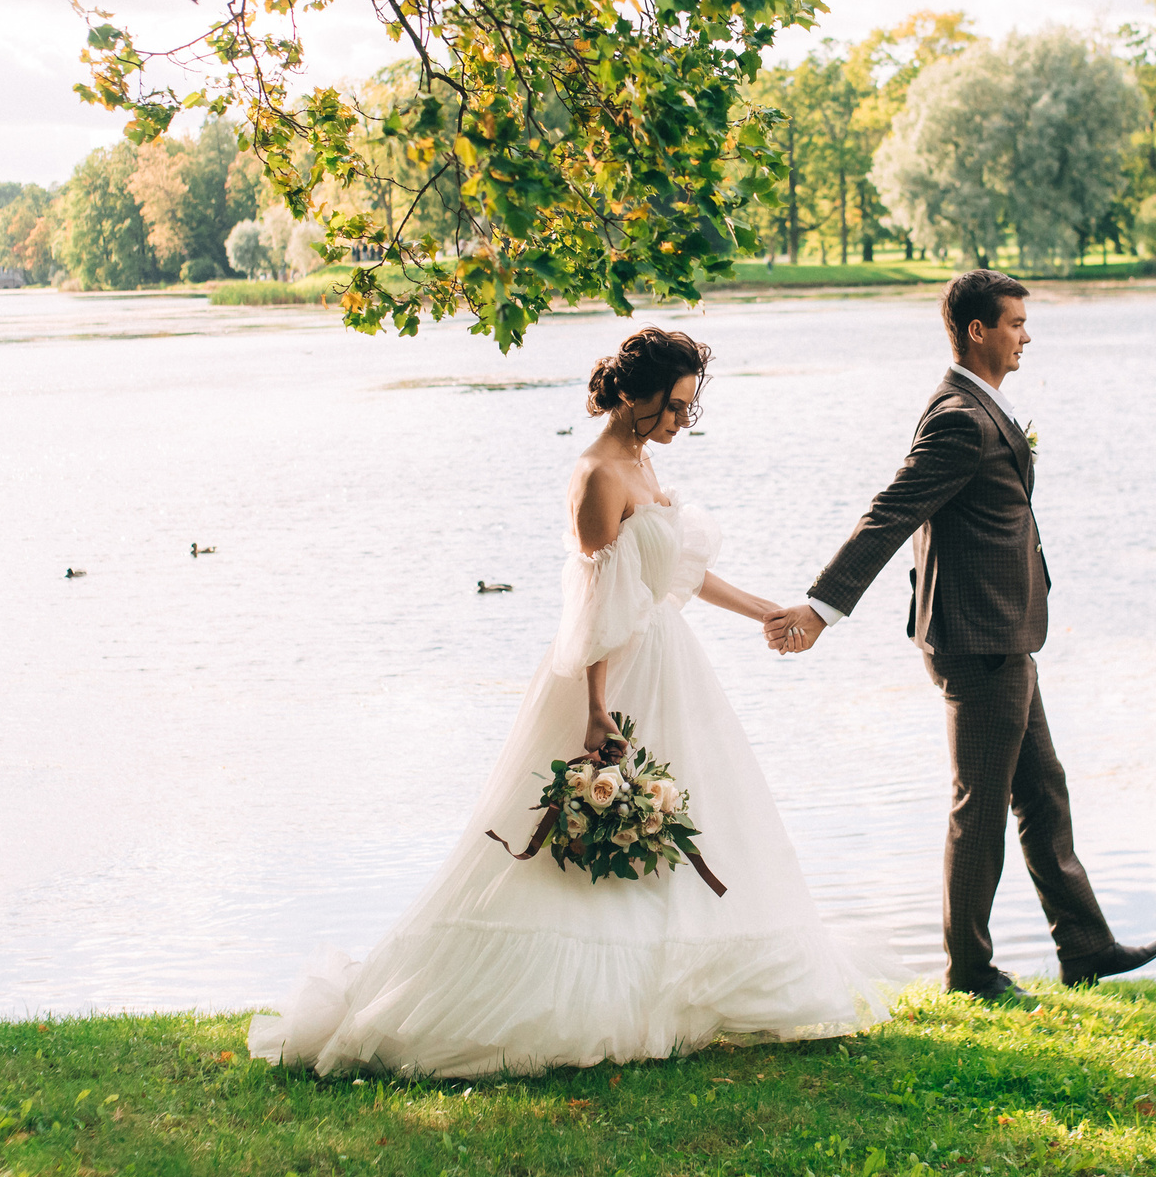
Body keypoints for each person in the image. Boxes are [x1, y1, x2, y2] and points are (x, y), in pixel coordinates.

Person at [249, 327, 891, 1076]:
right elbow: (596, 604)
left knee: (704, 819)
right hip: (608, 674)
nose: (684, 422)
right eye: (676, 407)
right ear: (634, 395)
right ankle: (581, 995)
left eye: (690, 407)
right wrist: (596, 708)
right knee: (593, 839)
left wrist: (766, 612)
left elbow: (670, 573)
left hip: (668, 660)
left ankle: (685, 987)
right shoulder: (596, 476)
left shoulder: (644, 460)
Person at [765, 271, 1156, 1004]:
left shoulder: (982, 406)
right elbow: (891, 513)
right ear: (977, 329)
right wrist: (823, 606)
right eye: (1014, 321)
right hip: (977, 640)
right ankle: (971, 973)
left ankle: (1085, 944)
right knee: (979, 805)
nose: (1026, 334)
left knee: (1043, 791)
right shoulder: (958, 415)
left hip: (1003, 633)